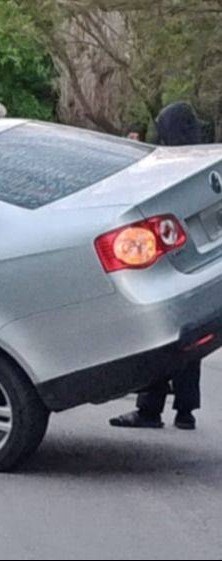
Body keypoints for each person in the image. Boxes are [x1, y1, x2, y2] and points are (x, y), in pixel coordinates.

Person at [110, 101, 205, 431]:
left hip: (164, 261)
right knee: (190, 340)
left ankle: (150, 408)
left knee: (156, 337)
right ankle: (185, 410)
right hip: (196, 262)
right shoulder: (202, 165)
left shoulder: (167, 166)